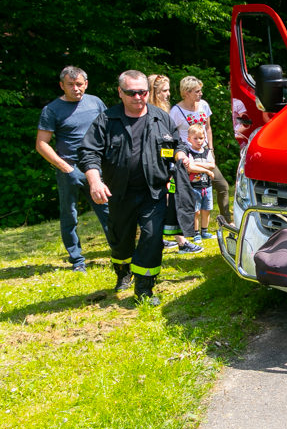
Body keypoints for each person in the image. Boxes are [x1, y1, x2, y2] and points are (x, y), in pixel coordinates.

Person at [79, 70, 189, 305]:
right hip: (119, 193)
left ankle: (144, 288)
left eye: (143, 92)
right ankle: (122, 272)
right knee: (121, 240)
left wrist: (181, 156)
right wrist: (95, 181)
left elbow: (178, 143)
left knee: (152, 237)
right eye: (132, 93)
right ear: (120, 92)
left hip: (154, 192)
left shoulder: (161, 118)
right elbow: (89, 153)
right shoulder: (106, 121)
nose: (138, 97)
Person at [36, 66, 110, 272]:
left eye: (79, 84)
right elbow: (41, 144)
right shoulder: (51, 110)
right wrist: (66, 168)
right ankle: (77, 260)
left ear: (86, 84)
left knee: (108, 211)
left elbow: (108, 130)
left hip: (96, 167)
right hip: (69, 168)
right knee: (70, 215)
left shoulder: (95, 102)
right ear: (62, 85)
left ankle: (120, 253)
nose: (76, 89)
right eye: (71, 85)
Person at [147, 74, 203, 255]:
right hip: (153, 167)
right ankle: (178, 241)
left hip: (168, 163)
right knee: (160, 201)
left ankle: (176, 240)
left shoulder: (165, 111)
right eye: (164, 91)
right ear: (153, 93)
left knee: (170, 199)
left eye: (168, 89)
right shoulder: (146, 113)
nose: (168, 94)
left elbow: (173, 138)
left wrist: (180, 155)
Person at [169, 76, 231, 224]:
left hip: (204, 153)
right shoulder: (176, 111)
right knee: (191, 192)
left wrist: (211, 149)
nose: (200, 94)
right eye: (197, 91)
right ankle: (190, 226)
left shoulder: (203, 105)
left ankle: (226, 220)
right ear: (187, 92)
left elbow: (208, 128)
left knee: (222, 185)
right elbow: (171, 135)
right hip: (189, 156)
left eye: (200, 91)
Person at [186, 123, 217, 241]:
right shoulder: (188, 152)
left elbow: (212, 164)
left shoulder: (207, 152)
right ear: (189, 139)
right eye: (195, 138)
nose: (199, 141)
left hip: (207, 186)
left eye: (201, 138)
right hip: (194, 187)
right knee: (196, 211)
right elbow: (190, 168)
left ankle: (205, 231)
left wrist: (196, 164)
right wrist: (207, 171)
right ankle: (195, 233)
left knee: (206, 209)